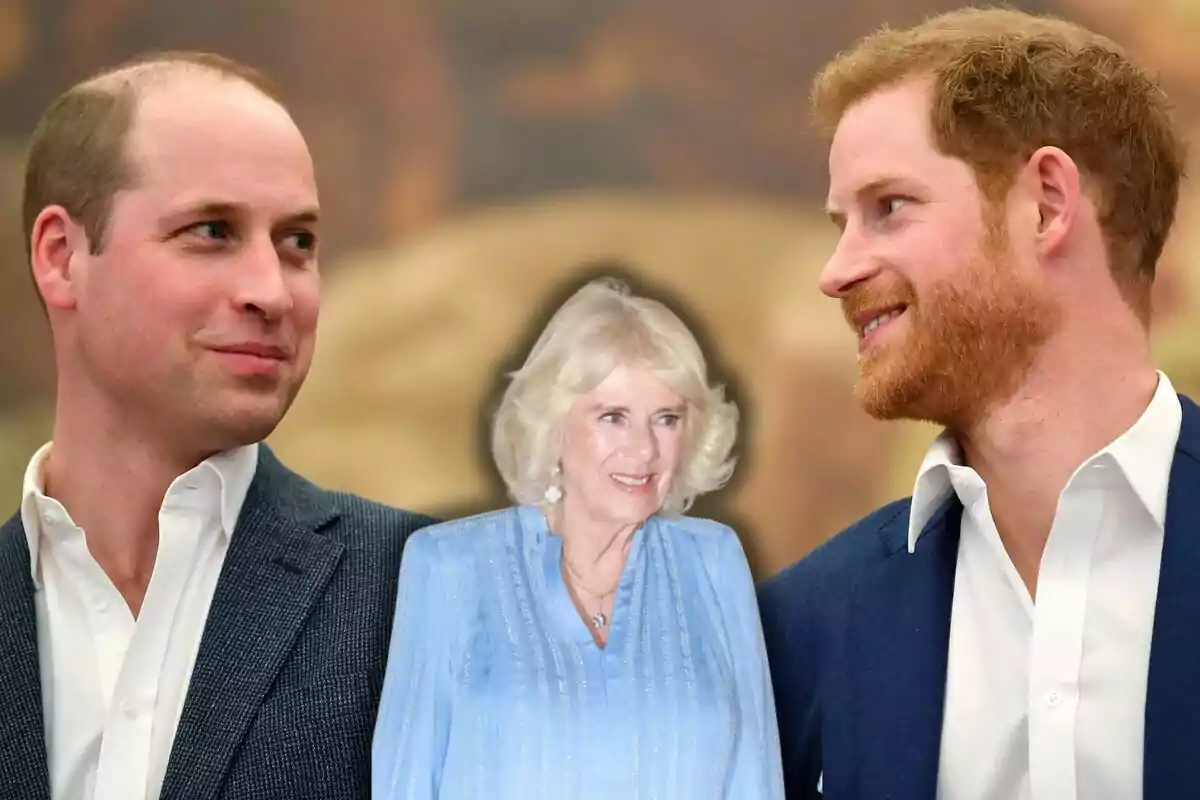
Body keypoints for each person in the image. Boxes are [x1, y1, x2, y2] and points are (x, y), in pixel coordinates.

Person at [757, 8, 1199, 800]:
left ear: (1047, 204)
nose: (836, 270)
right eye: (840, 222)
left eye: (888, 206)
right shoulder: (807, 627)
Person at [3, 52, 435, 800]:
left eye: (297, 242)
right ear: (62, 256)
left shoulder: (433, 594)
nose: (272, 291)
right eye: (212, 231)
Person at [371, 277, 784, 799]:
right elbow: (404, 783)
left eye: (666, 419)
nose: (643, 449)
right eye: (613, 417)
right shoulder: (448, 566)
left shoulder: (714, 561)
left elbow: (756, 778)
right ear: (553, 424)